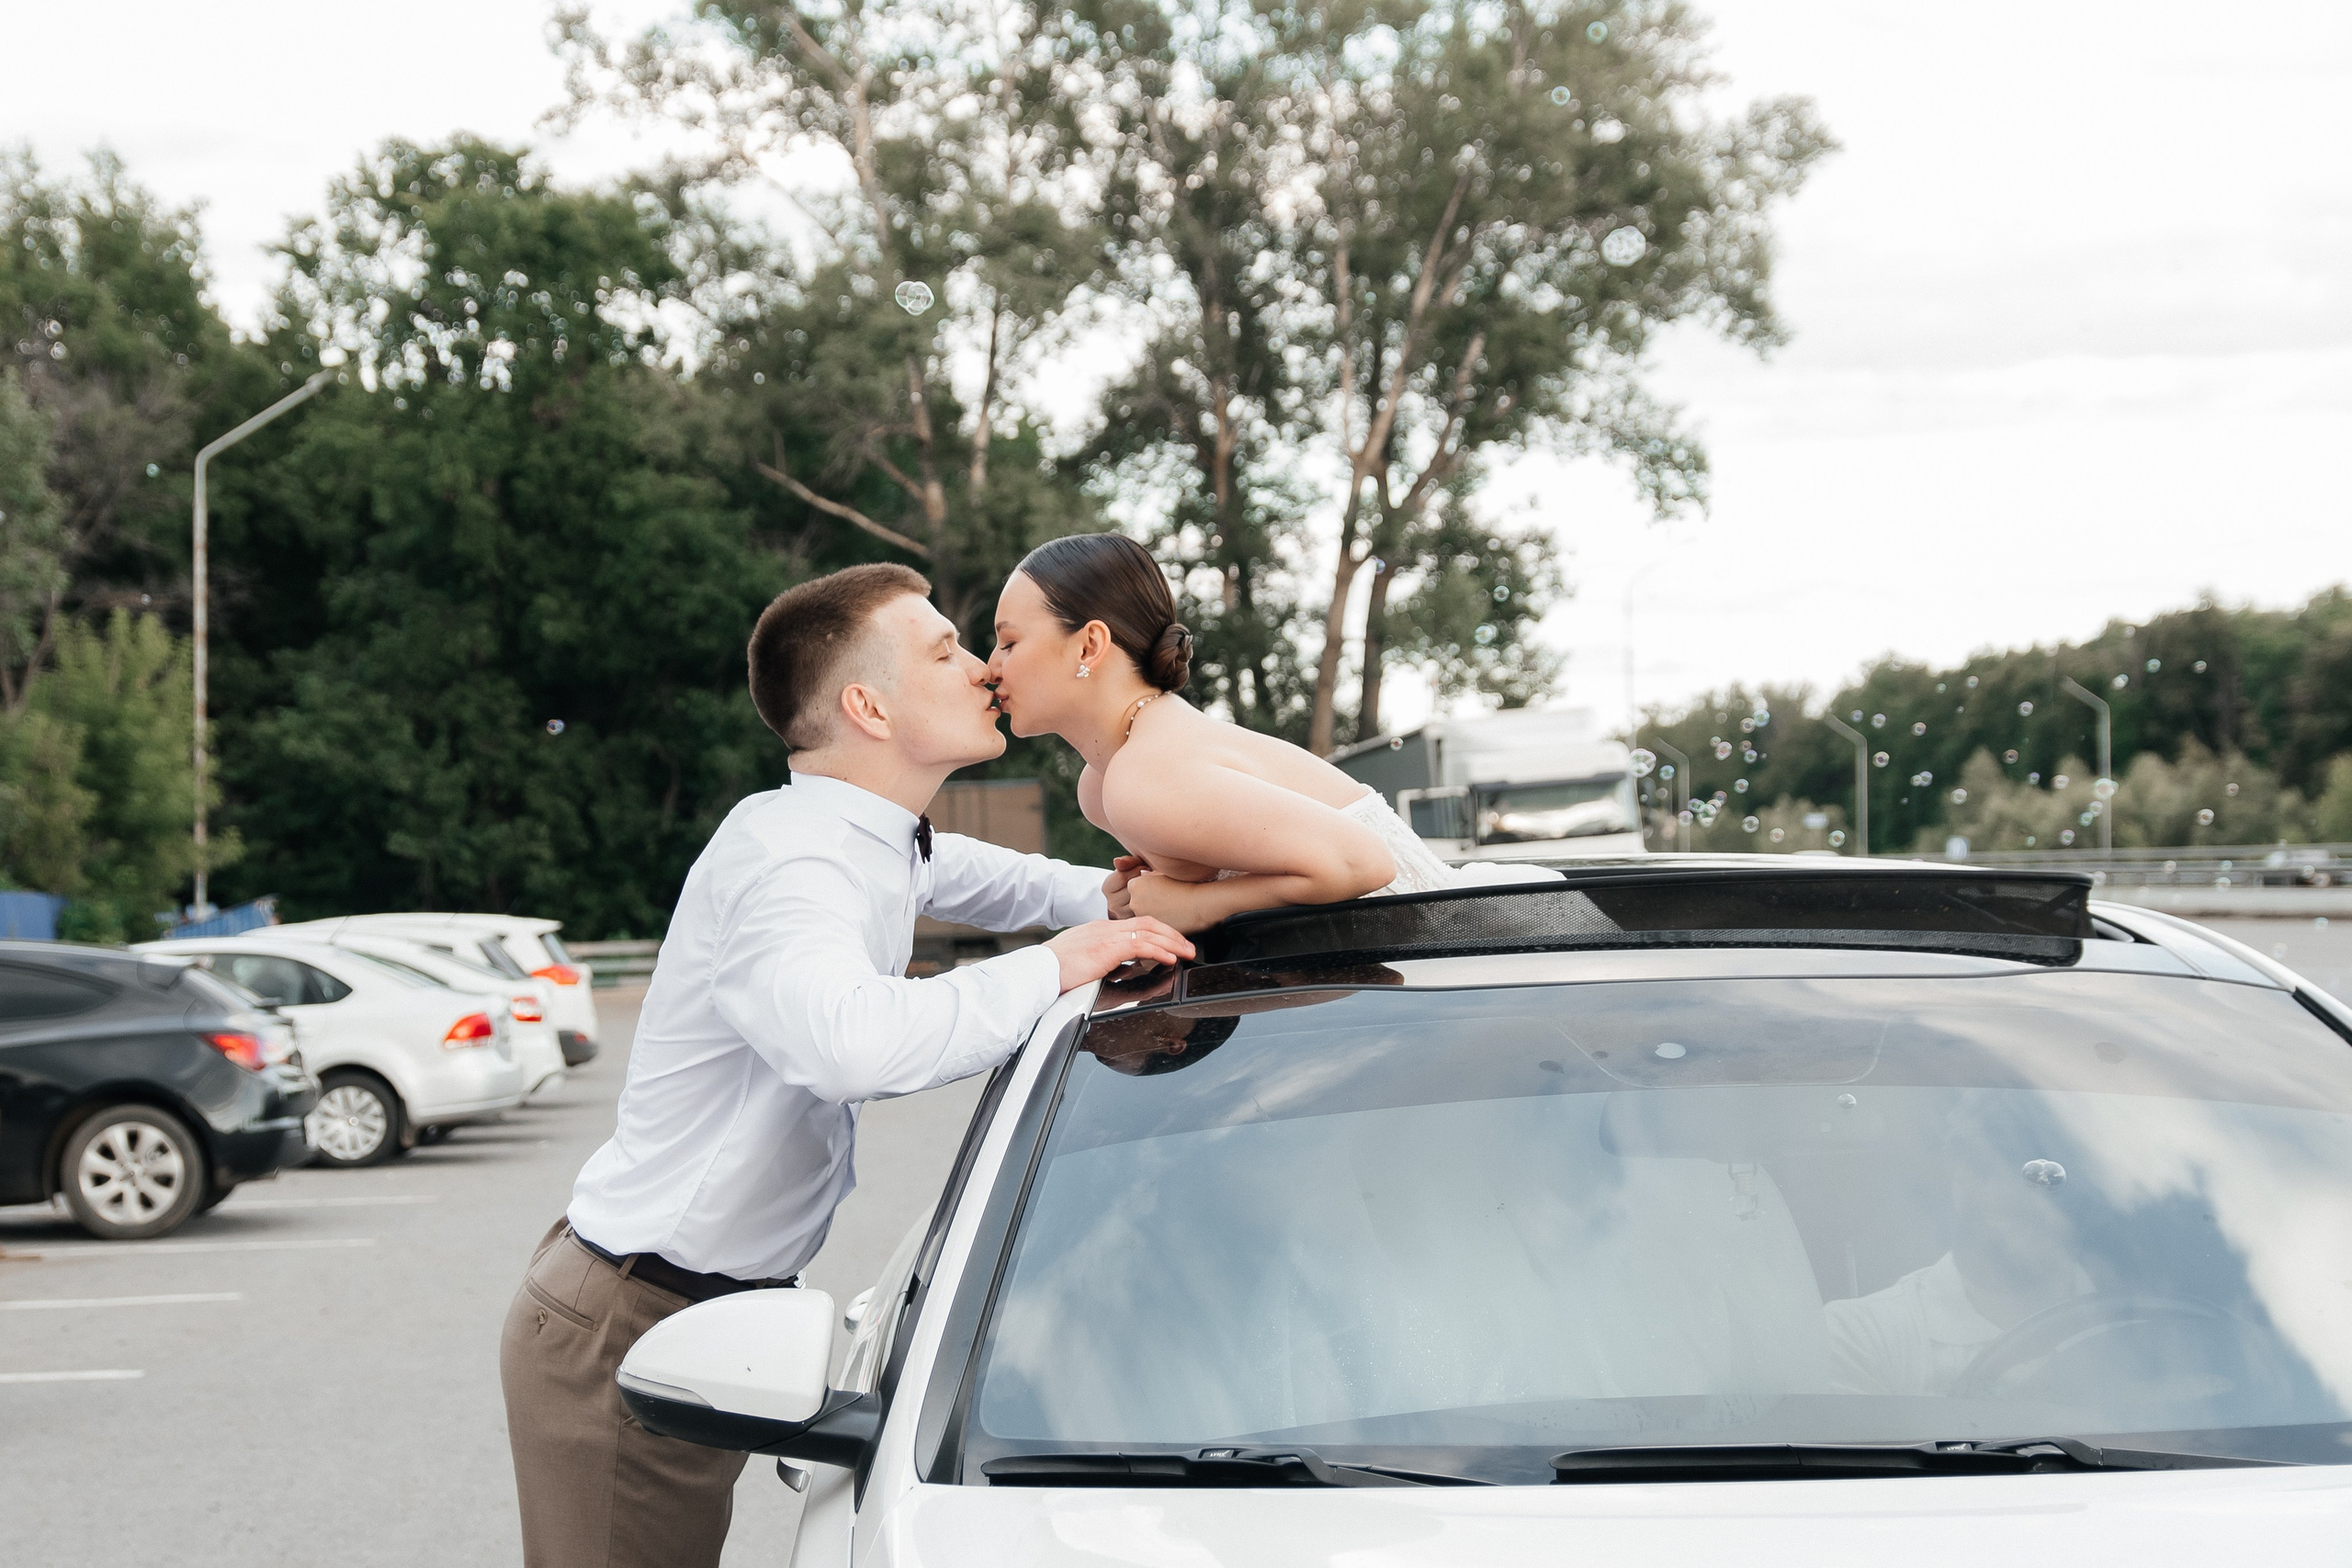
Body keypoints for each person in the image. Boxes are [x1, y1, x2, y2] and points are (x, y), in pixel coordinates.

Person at [498, 562, 1192, 1568]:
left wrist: (1146, 893)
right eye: (944, 651)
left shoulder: (870, 838)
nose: (981, 668)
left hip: (696, 1306)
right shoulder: (795, 864)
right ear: (868, 706)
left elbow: (1020, 884)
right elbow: (850, 1044)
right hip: (626, 1322)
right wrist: (1060, 966)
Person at [985, 532, 1555, 933]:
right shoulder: (1107, 780)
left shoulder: (1143, 775)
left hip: (1454, 950)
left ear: (1089, 645)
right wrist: (1151, 902)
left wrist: (1199, 903)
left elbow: (1365, 865)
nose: (991, 667)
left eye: (1009, 642)